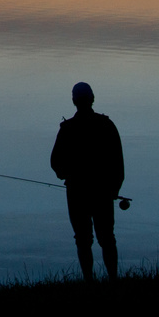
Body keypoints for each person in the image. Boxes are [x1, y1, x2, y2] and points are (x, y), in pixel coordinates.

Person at [49, 81, 124, 281]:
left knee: (83, 240)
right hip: (103, 192)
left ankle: (88, 280)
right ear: (92, 99)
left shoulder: (67, 128)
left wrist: (64, 174)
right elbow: (118, 162)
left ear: (74, 101)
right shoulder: (106, 125)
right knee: (107, 238)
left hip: (77, 192)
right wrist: (114, 189)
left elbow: (55, 162)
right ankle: (113, 278)